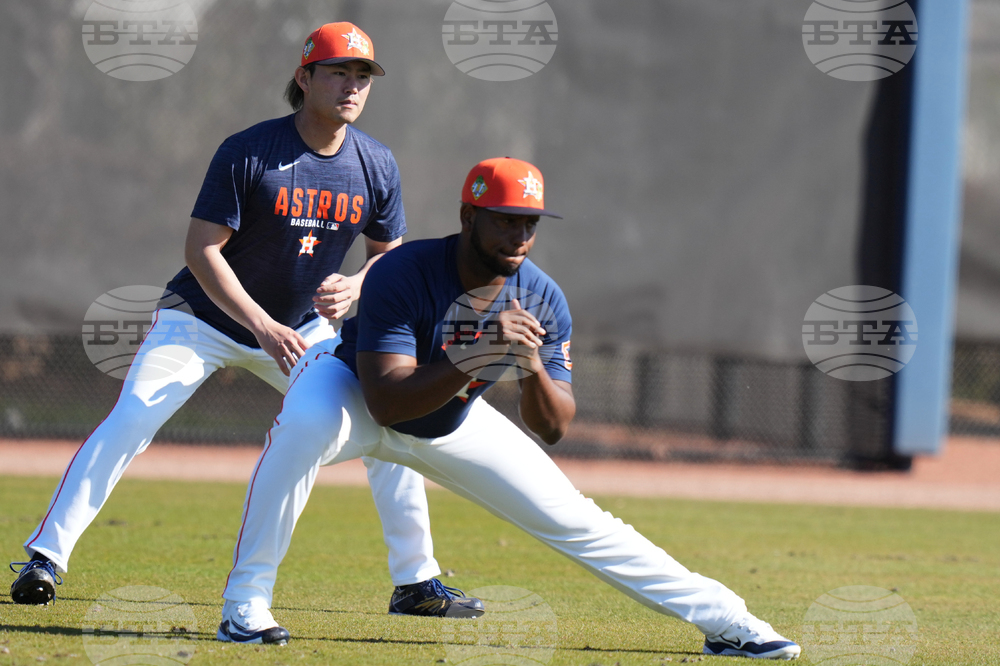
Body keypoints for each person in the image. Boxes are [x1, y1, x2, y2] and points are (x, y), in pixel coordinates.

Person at [216, 157, 802, 659]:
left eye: (530, 223)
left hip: (452, 421)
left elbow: (553, 426)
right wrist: (477, 356)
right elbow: (388, 404)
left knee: (578, 520)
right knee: (299, 429)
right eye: (505, 220)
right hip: (352, 395)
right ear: (469, 216)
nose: (519, 235)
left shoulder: (541, 297)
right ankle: (246, 604)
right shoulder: (405, 271)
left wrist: (532, 368)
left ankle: (727, 621)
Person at [9, 21, 482, 622]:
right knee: (133, 417)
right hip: (201, 321)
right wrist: (260, 325)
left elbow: (389, 253)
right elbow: (201, 249)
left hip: (301, 330)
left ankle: (414, 582)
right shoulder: (251, 150)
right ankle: (45, 557)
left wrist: (359, 284)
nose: (352, 85)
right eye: (338, 71)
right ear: (304, 77)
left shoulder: (375, 163)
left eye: (363, 75)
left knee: (385, 423)